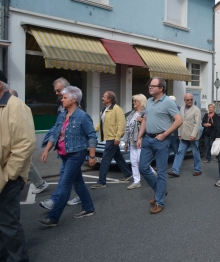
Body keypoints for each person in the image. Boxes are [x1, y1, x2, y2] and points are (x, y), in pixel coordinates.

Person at [38, 86, 97, 226]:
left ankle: (53, 217)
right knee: (78, 182)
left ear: (74, 99)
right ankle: (88, 208)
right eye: (62, 97)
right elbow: (54, 134)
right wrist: (46, 150)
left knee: (65, 185)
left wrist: (92, 156)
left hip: (76, 154)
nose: (61, 100)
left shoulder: (82, 116)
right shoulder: (62, 115)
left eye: (64, 97)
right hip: (64, 154)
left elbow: (92, 136)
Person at [0, 69, 35, 261]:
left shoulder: (16, 107)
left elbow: (25, 144)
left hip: (6, 178)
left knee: (8, 224)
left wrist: (9, 175)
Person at [137, 77, 182, 214]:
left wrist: (165, 134)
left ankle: (159, 202)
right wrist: (139, 137)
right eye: (149, 85)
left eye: (153, 85)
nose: (150, 87)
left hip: (161, 140)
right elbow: (145, 119)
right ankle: (160, 191)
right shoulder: (149, 101)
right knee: (143, 167)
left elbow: (179, 120)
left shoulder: (168, 102)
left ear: (161, 88)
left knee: (161, 172)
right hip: (148, 139)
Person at [8, 89, 49, 194]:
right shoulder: (14, 108)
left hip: (19, 143)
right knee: (25, 164)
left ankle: (39, 183)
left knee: (25, 163)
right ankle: (39, 183)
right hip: (16, 143)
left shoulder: (18, 109)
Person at [92, 91, 132, 189]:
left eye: (104, 97)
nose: (102, 98)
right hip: (108, 138)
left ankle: (101, 181)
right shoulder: (104, 110)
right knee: (118, 156)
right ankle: (127, 173)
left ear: (110, 99)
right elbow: (100, 124)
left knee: (105, 160)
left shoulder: (117, 109)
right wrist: (92, 130)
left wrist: (118, 137)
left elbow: (121, 124)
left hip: (112, 138)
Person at [169, 93, 202, 177]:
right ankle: (175, 171)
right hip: (183, 136)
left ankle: (198, 169)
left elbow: (197, 124)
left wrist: (193, 135)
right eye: (188, 99)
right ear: (184, 100)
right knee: (179, 152)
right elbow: (179, 122)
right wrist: (179, 134)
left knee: (195, 153)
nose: (190, 101)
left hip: (192, 136)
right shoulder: (181, 109)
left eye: (191, 99)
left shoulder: (196, 110)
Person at [124, 94, 151, 190]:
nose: (133, 103)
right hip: (132, 141)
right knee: (133, 161)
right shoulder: (132, 114)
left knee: (141, 161)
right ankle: (136, 181)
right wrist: (126, 142)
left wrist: (142, 121)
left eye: (135, 101)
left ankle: (152, 173)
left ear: (141, 102)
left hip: (141, 140)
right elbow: (127, 128)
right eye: (133, 101)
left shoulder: (145, 113)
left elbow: (150, 127)